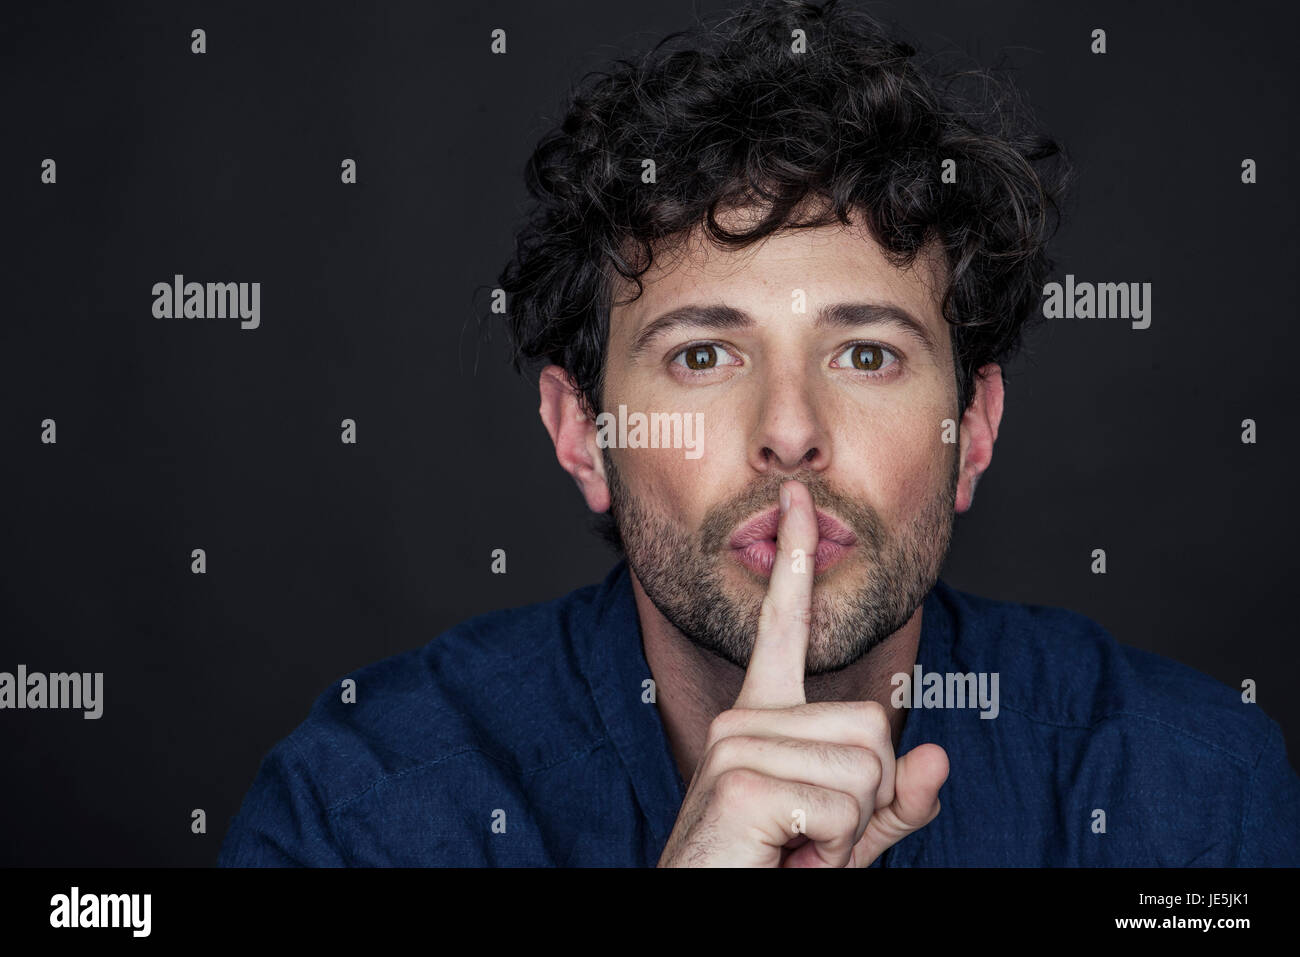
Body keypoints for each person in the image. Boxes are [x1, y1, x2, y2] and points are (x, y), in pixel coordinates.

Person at [219, 0, 1300, 867]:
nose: (789, 434)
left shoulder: (1190, 794)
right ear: (580, 433)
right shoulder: (362, 813)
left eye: (866, 354)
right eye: (702, 355)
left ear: (971, 432)